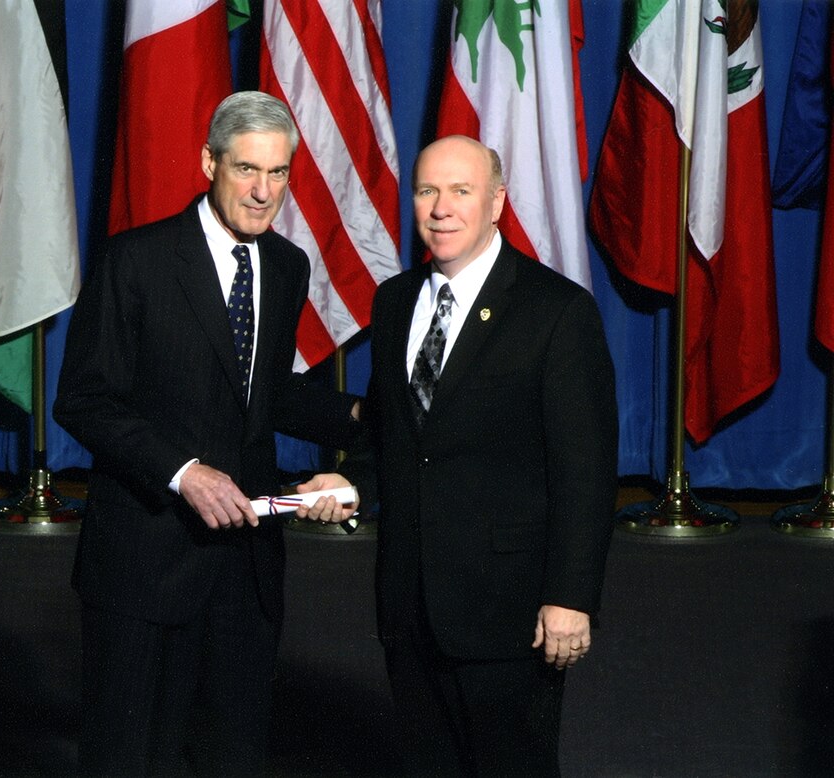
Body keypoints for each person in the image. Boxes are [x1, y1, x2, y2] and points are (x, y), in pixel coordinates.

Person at [54, 91, 359, 775]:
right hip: (145, 559)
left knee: (232, 755)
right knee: (132, 758)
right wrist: (182, 472)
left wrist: (357, 417)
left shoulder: (287, 265)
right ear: (208, 162)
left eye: (277, 173)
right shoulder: (136, 260)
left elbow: (262, 393)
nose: (263, 192)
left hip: (245, 566)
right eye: (247, 169)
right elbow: (83, 401)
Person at [301, 135, 618, 776]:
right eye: (427, 191)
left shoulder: (557, 311)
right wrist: (353, 483)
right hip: (409, 604)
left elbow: (585, 475)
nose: (441, 208)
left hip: (510, 611)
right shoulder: (394, 301)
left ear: (496, 203)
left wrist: (571, 598)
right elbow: (393, 437)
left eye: (460, 191)